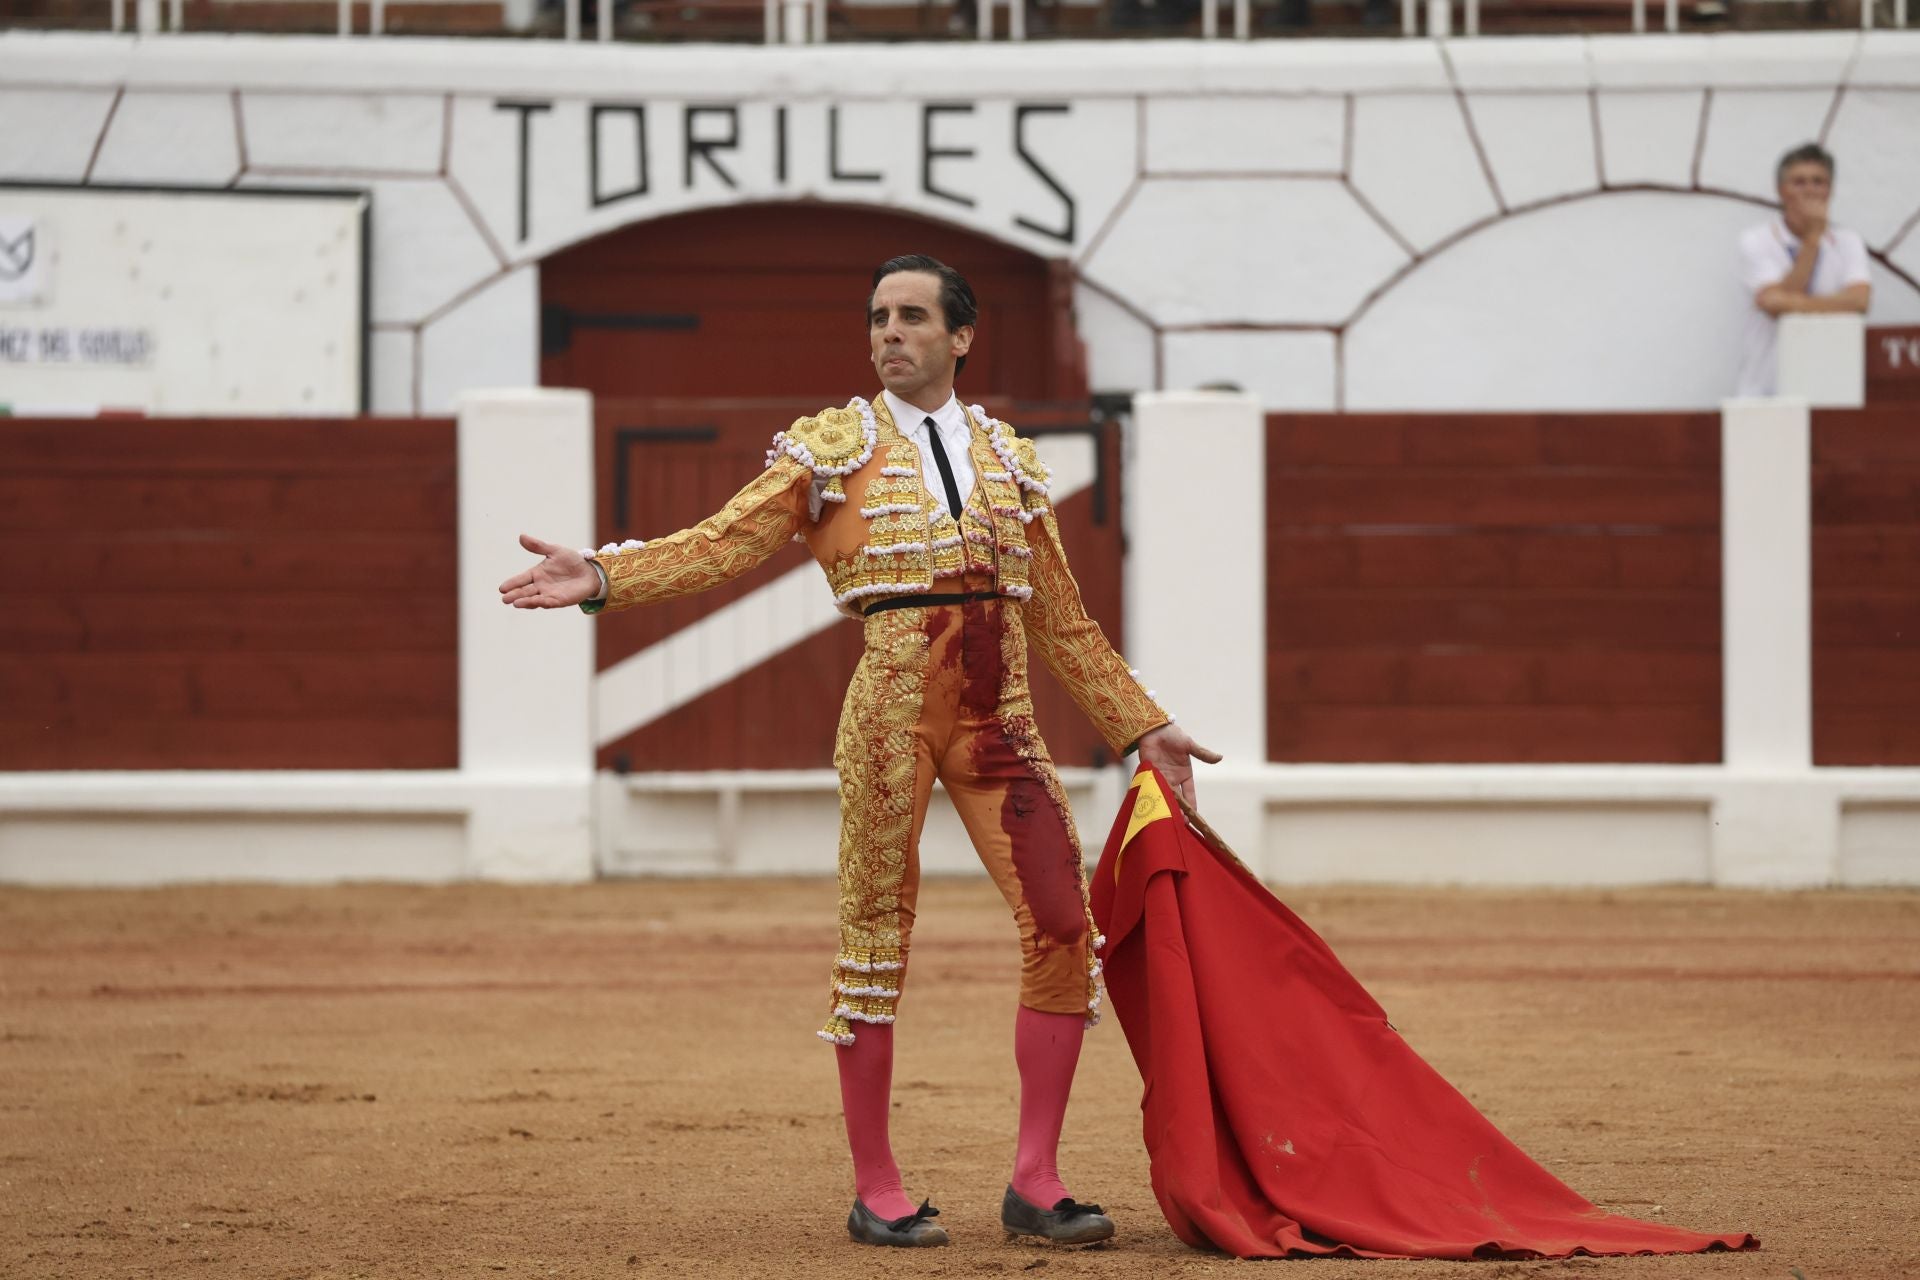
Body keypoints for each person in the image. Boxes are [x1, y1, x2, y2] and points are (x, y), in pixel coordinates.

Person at [498, 253, 1220, 1249]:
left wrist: (1145, 723)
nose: (891, 332)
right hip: (889, 711)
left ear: (961, 336)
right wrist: (606, 577)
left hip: (998, 714)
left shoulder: (1010, 458)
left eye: (914, 316)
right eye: (880, 316)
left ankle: (1035, 1179)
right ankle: (876, 1184)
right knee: (876, 938)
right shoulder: (831, 449)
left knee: (1063, 922)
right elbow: (723, 541)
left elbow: (1062, 618)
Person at [1734, 142, 1872, 397]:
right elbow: (1774, 308)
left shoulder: (1848, 241)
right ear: (1781, 190)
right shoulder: (1756, 240)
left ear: (1830, 190)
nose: (1810, 190)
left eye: (1818, 182)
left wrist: (1788, 301)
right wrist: (1812, 239)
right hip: (1765, 390)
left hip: (1831, 389)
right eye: (1799, 182)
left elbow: (1860, 301)